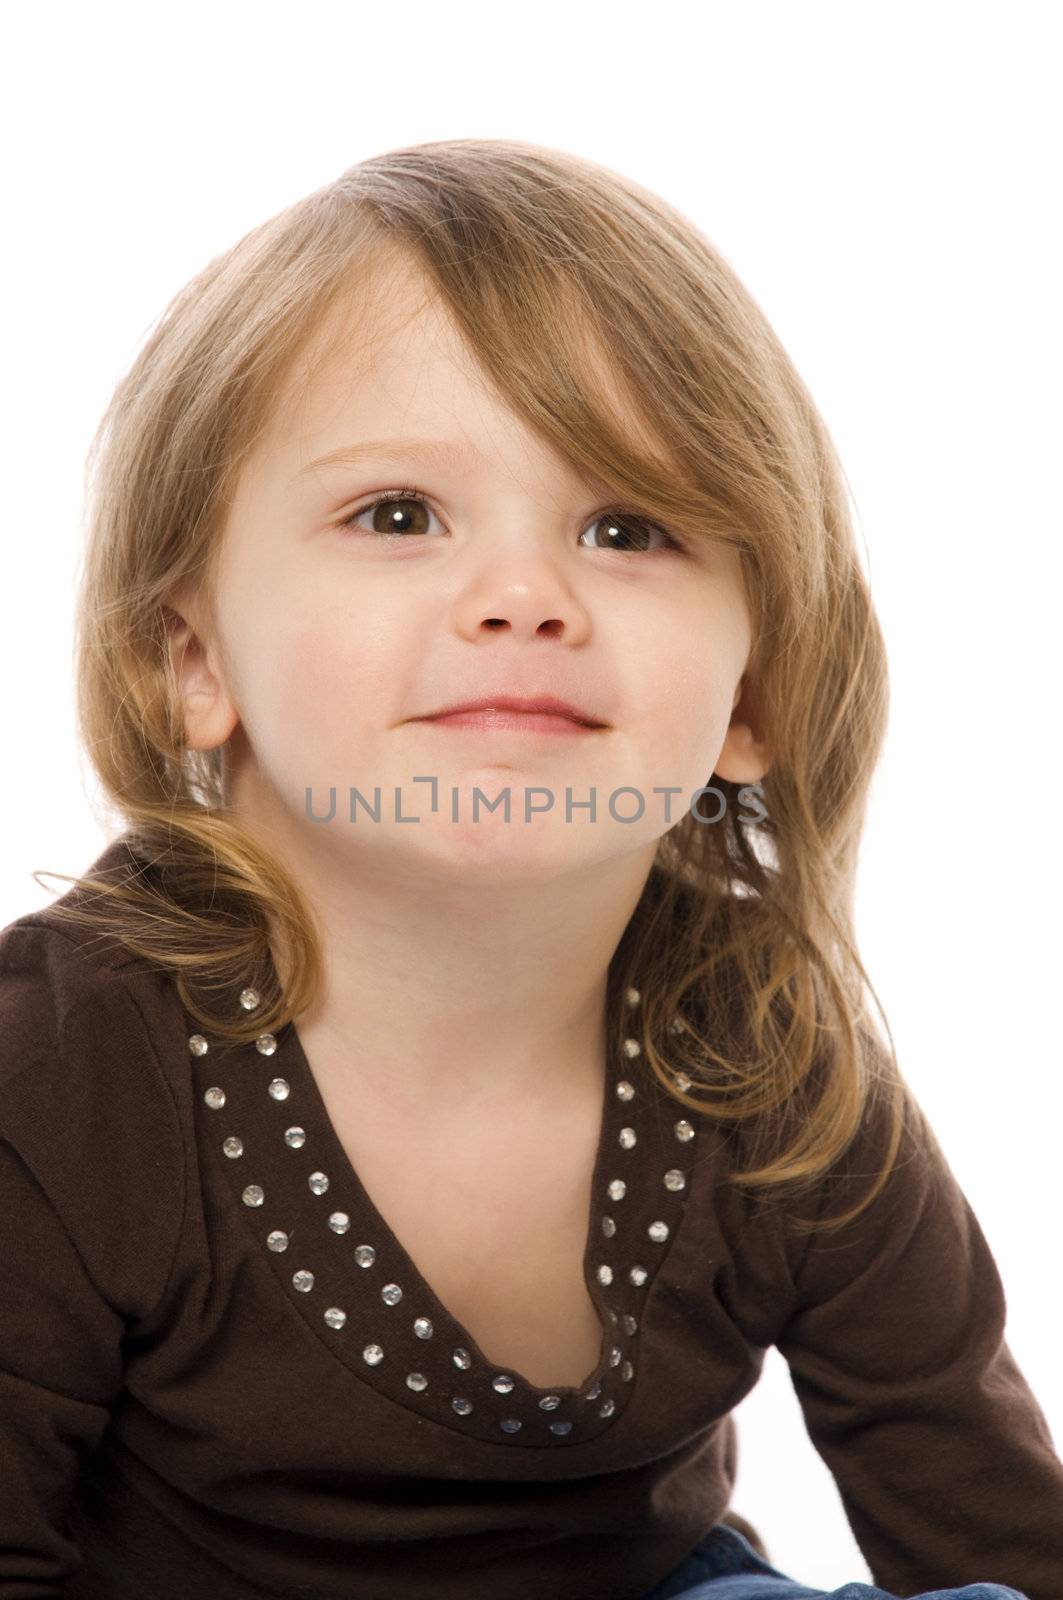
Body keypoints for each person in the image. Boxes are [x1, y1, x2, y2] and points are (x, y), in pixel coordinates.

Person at [1, 137, 1059, 1600]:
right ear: (193, 662)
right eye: (398, 516)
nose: (521, 598)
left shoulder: (765, 1058)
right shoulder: (67, 1067)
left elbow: (987, 1518)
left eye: (626, 527)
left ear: (752, 698)